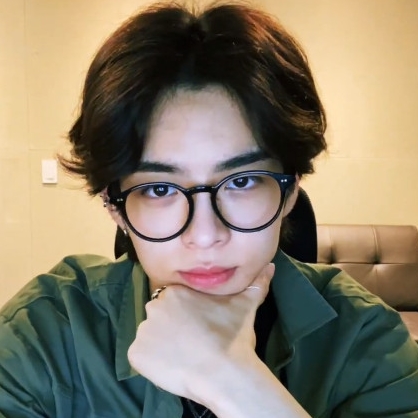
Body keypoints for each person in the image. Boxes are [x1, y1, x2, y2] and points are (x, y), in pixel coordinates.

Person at [1, 2, 417, 417]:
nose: (205, 236)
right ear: (115, 207)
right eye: (159, 188)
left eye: (242, 181)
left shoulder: (367, 342)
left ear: (291, 189)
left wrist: (232, 381)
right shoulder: (44, 333)